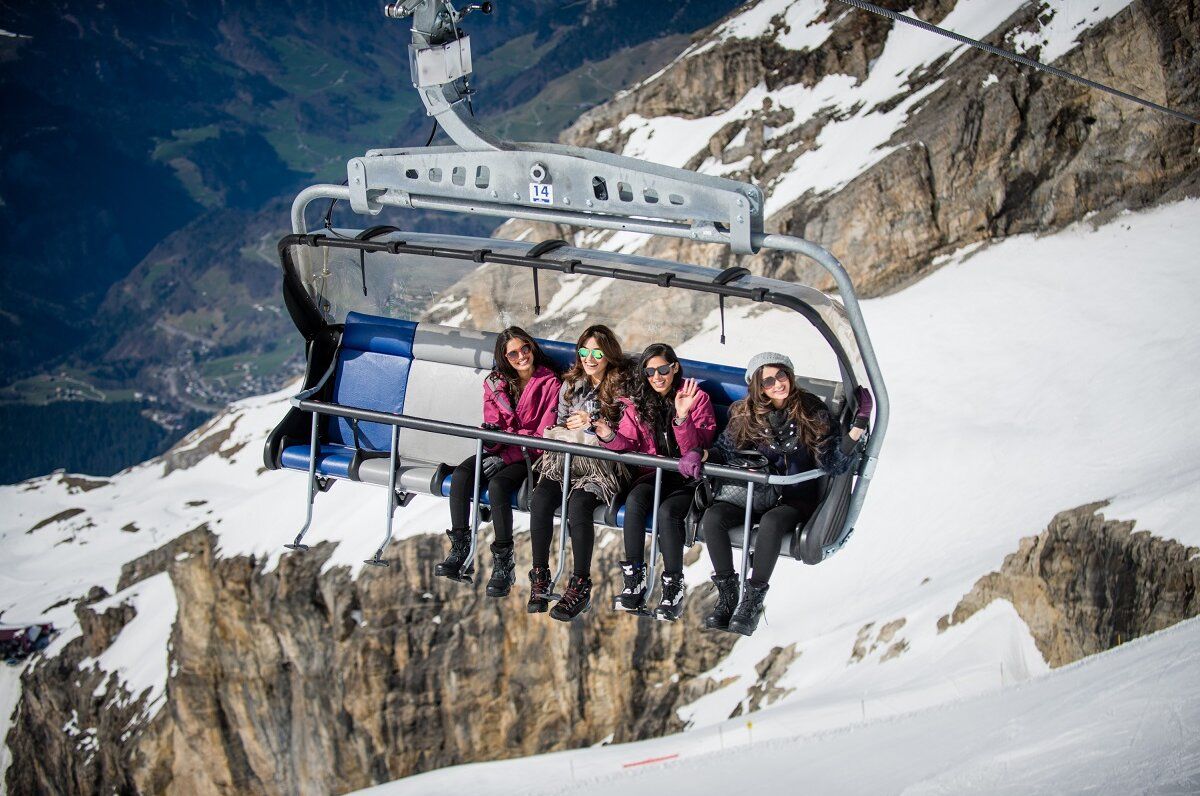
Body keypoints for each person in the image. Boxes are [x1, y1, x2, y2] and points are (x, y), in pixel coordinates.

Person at [699, 352, 871, 636]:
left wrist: (857, 429)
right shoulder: (747, 414)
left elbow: (833, 462)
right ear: (757, 386)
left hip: (795, 497)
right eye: (768, 381)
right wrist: (701, 454)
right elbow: (724, 450)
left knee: (772, 523)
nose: (778, 384)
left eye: (781, 376)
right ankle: (727, 595)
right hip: (759, 493)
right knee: (714, 517)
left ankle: (751, 603)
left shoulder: (810, 410)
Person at [435, 327, 561, 597]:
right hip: (501, 449)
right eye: (513, 353)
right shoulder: (495, 384)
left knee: (498, 487)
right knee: (460, 477)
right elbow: (494, 427)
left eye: (525, 349)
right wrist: (492, 443)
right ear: (505, 358)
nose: (521, 356)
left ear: (532, 348)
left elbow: (544, 434)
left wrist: (505, 456)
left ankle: (504, 561)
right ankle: (460, 548)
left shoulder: (550, 382)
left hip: (528, 455)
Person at [599, 343, 717, 620]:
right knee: (636, 500)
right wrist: (607, 436)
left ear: (674, 367)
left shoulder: (695, 399)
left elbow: (697, 449)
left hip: (688, 479)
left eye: (663, 369)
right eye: (650, 371)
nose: (657, 377)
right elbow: (628, 444)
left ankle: (673, 586)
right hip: (655, 474)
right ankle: (634, 580)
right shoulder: (639, 404)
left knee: (667, 514)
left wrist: (682, 417)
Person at [527, 324, 631, 621]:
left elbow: (626, 430)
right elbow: (559, 420)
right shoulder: (571, 385)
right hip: (569, 458)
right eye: (584, 351)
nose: (589, 358)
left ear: (609, 354)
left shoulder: (621, 387)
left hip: (603, 464)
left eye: (597, 352)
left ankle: (580, 583)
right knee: (542, 499)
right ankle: (540, 574)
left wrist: (593, 421)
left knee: (578, 506)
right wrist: (564, 428)